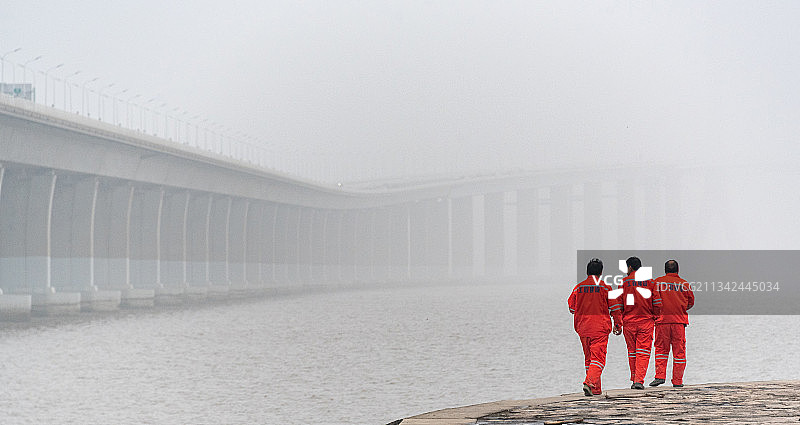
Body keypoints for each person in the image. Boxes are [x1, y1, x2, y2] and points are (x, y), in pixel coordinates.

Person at [568, 258, 622, 396]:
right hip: (599, 328)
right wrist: (618, 324)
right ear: (601, 272)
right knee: (598, 359)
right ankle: (589, 383)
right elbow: (615, 308)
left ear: (587, 272)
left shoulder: (578, 287)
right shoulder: (606, 287)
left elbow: (572, 308)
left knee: (589, 359)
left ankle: (595, 389)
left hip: (583, 328)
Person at [650, 259, 694, 388]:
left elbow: (652, 301)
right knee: (679, 352)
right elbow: (690, 302)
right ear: (677, 270)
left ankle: (659, 376)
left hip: (662, 321)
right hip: (679, 322)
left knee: (661, 349)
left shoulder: (657, 282)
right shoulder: (684, 284)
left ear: (665, 270)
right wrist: (680, 309)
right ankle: (677, 381)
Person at [621, 256, 659, 389]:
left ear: (630, 267)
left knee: (632, 352)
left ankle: (634, 379)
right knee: (643, 352)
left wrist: (618, 322)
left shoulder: (624, 282)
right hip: (646, 322)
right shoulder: (650, 282)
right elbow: (657, 303)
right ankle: (639, 380)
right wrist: (656, 317)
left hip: (629, 322)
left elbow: (619, 304)